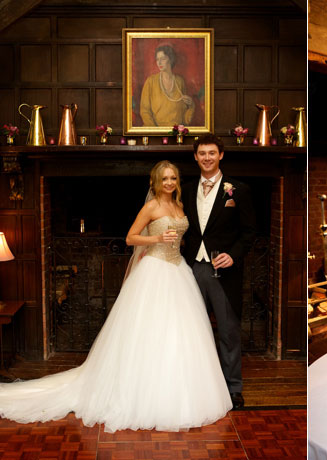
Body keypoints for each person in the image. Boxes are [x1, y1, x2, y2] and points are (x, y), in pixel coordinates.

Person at [0, 161, 232, 432]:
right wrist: (157, 241)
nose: (169, 183)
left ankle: (179, 390)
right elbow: (130, 238)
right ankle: (139, 393)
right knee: (147, 333)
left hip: (179, 271)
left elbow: (181, 237)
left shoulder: (180, 206)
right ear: (155, 181)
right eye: (164, 179)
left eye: (172, 178)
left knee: (179, 332)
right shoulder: (151, 206)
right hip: (155, 271)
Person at [182, 134, 256, 410]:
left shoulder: (238, 190)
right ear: (196, 157)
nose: (207, 158)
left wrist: (233, 256)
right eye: (202, 153)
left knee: (228, 332)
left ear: (221, 155)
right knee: (192, 331)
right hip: (191, 270)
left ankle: (233, 388)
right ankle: (196, 386)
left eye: (212, 153)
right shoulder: (187, 190)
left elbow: (249, 233)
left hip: (224, 273)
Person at [139, 45, 195, 127]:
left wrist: (191, 106)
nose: (159, 62)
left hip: (175, 134)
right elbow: (144, 111)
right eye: (157, 59)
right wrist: (155, 131)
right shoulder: (151, 81)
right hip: (155, 133)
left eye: (163, 59)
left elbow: (184, 119)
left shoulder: (180, 81)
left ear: (171, 59)